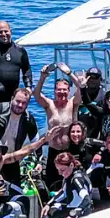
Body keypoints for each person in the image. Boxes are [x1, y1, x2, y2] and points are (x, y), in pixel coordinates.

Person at [33, 62, 83, 190]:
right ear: (54, 91)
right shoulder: (49, 105)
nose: (62, 92)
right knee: (52, 184)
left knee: (71, 184)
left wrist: (69, 73)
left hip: (70, 151)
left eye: (64, 89)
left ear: (68, 91)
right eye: (59, 89)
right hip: (53, 152)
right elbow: (36, 95)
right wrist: (43, 77)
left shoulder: (73, 103)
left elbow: (81, 87)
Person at [40, 152, 93, 218]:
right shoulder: (68, 177)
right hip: (71, 207)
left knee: (52, 214)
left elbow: (87, 199)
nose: (60, 173)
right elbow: (63, 193)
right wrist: (48, 204)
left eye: (62, 170)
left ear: (71, 165)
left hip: (80, 212)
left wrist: (73, 215)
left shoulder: (76, 179)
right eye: (58, 170)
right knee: (51, 209)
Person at [77, 66, 107, 135]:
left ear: (100, 79)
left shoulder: (104, 95)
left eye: (96, 77)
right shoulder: (79, 93)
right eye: (90, 77)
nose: (92, 80)